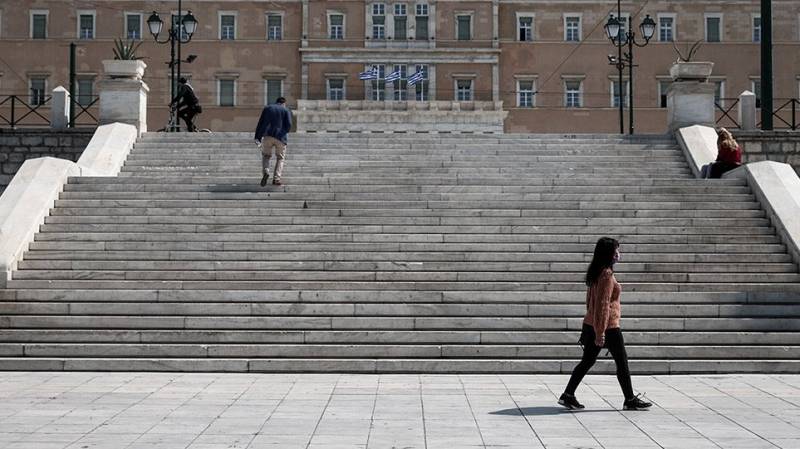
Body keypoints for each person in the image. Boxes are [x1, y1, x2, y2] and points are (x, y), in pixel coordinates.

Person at [558, 237, 652, 411]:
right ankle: (629, 399)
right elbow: (603, 304)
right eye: (616, 251)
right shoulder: (606, 275)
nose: (618, 254)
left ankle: (568, 395)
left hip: (592, 323)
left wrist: (593, 324)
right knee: (621, 361)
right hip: (607, 326)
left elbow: (590, 302)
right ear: (608, 253)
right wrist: (600, 332)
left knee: (587, 361)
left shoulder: (596, 272)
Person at [254, 97, 293, 187]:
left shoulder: (268, 108)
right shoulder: (286, 110)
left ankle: (266, 171)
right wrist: (284, 132)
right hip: (281, 138)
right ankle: (276, 179)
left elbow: (261, 123)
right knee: (280, 158)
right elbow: (289, 124)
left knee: (266, 156)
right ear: (284, 103)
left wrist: (257, 137)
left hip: (267, 136)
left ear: (276, 102)